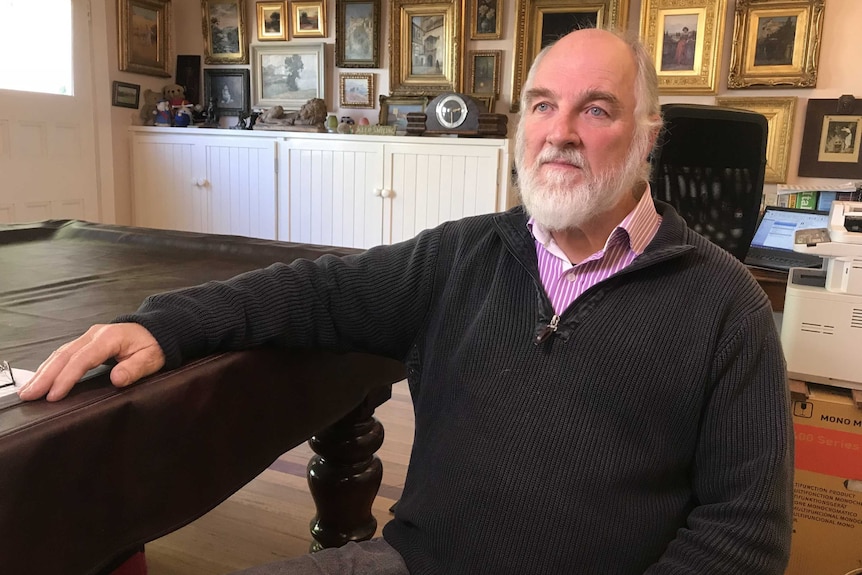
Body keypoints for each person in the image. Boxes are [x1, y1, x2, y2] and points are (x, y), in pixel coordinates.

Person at [18, 28, 792, 575]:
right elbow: (314, 290)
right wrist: (162, 324)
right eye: (541, 105)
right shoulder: (462, 255)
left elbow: (745, 534)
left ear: (648, 135)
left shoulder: (726, 308)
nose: (559, 133)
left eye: (595, 108)